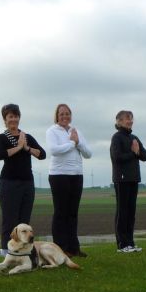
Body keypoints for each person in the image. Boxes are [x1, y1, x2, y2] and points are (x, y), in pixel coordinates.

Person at [0, 104, 46, 255]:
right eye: (10, 116)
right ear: (5, 119)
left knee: (24, 220)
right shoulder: (2, 137)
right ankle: (6, 251)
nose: (14, 119)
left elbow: (42, 154)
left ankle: (23, 251)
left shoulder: (27, 137)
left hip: (27, 183)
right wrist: (18, 147)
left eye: (16, 116)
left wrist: (27, 148)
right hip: (9, 183)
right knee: (9, 220)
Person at [46, 104, 92, 257]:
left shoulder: (75, 131)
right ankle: (61, 248)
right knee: (61, 212)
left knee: (73, 213)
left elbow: (88, 153)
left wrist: (78, 142)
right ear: (57, 116)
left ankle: (73, 248)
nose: (65, 116)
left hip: (76, 175)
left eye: (67, 114)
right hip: (59, 175)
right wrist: (72, 143)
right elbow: (54, 150)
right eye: (62, 114)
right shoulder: (52, 131)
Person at [110, 110, 146, 253]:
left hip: (134, 178)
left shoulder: (134, 137)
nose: (130, 121)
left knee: (131, 212)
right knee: (123, 211)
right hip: (121, 179)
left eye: (131, 118)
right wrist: (133, 153)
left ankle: (130, 242)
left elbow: (145, 156)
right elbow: (117, 157)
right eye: (127, 118)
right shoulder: (116, 138)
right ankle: (122, 244)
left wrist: (137, 152)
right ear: (119, 121)